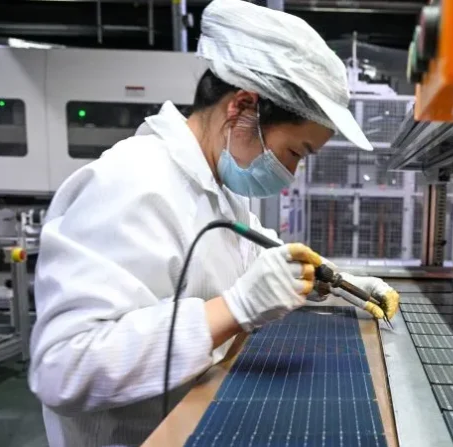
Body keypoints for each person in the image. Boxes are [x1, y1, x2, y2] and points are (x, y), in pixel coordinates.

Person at [27, 0, 399, 445]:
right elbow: (63, 369)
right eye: (295, 153)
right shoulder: (128, 182)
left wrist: (334, 281)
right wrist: (236, 307)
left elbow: (255, 256)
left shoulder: (218, 189)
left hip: (194, 420)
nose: (291, 174)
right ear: (242, 107)